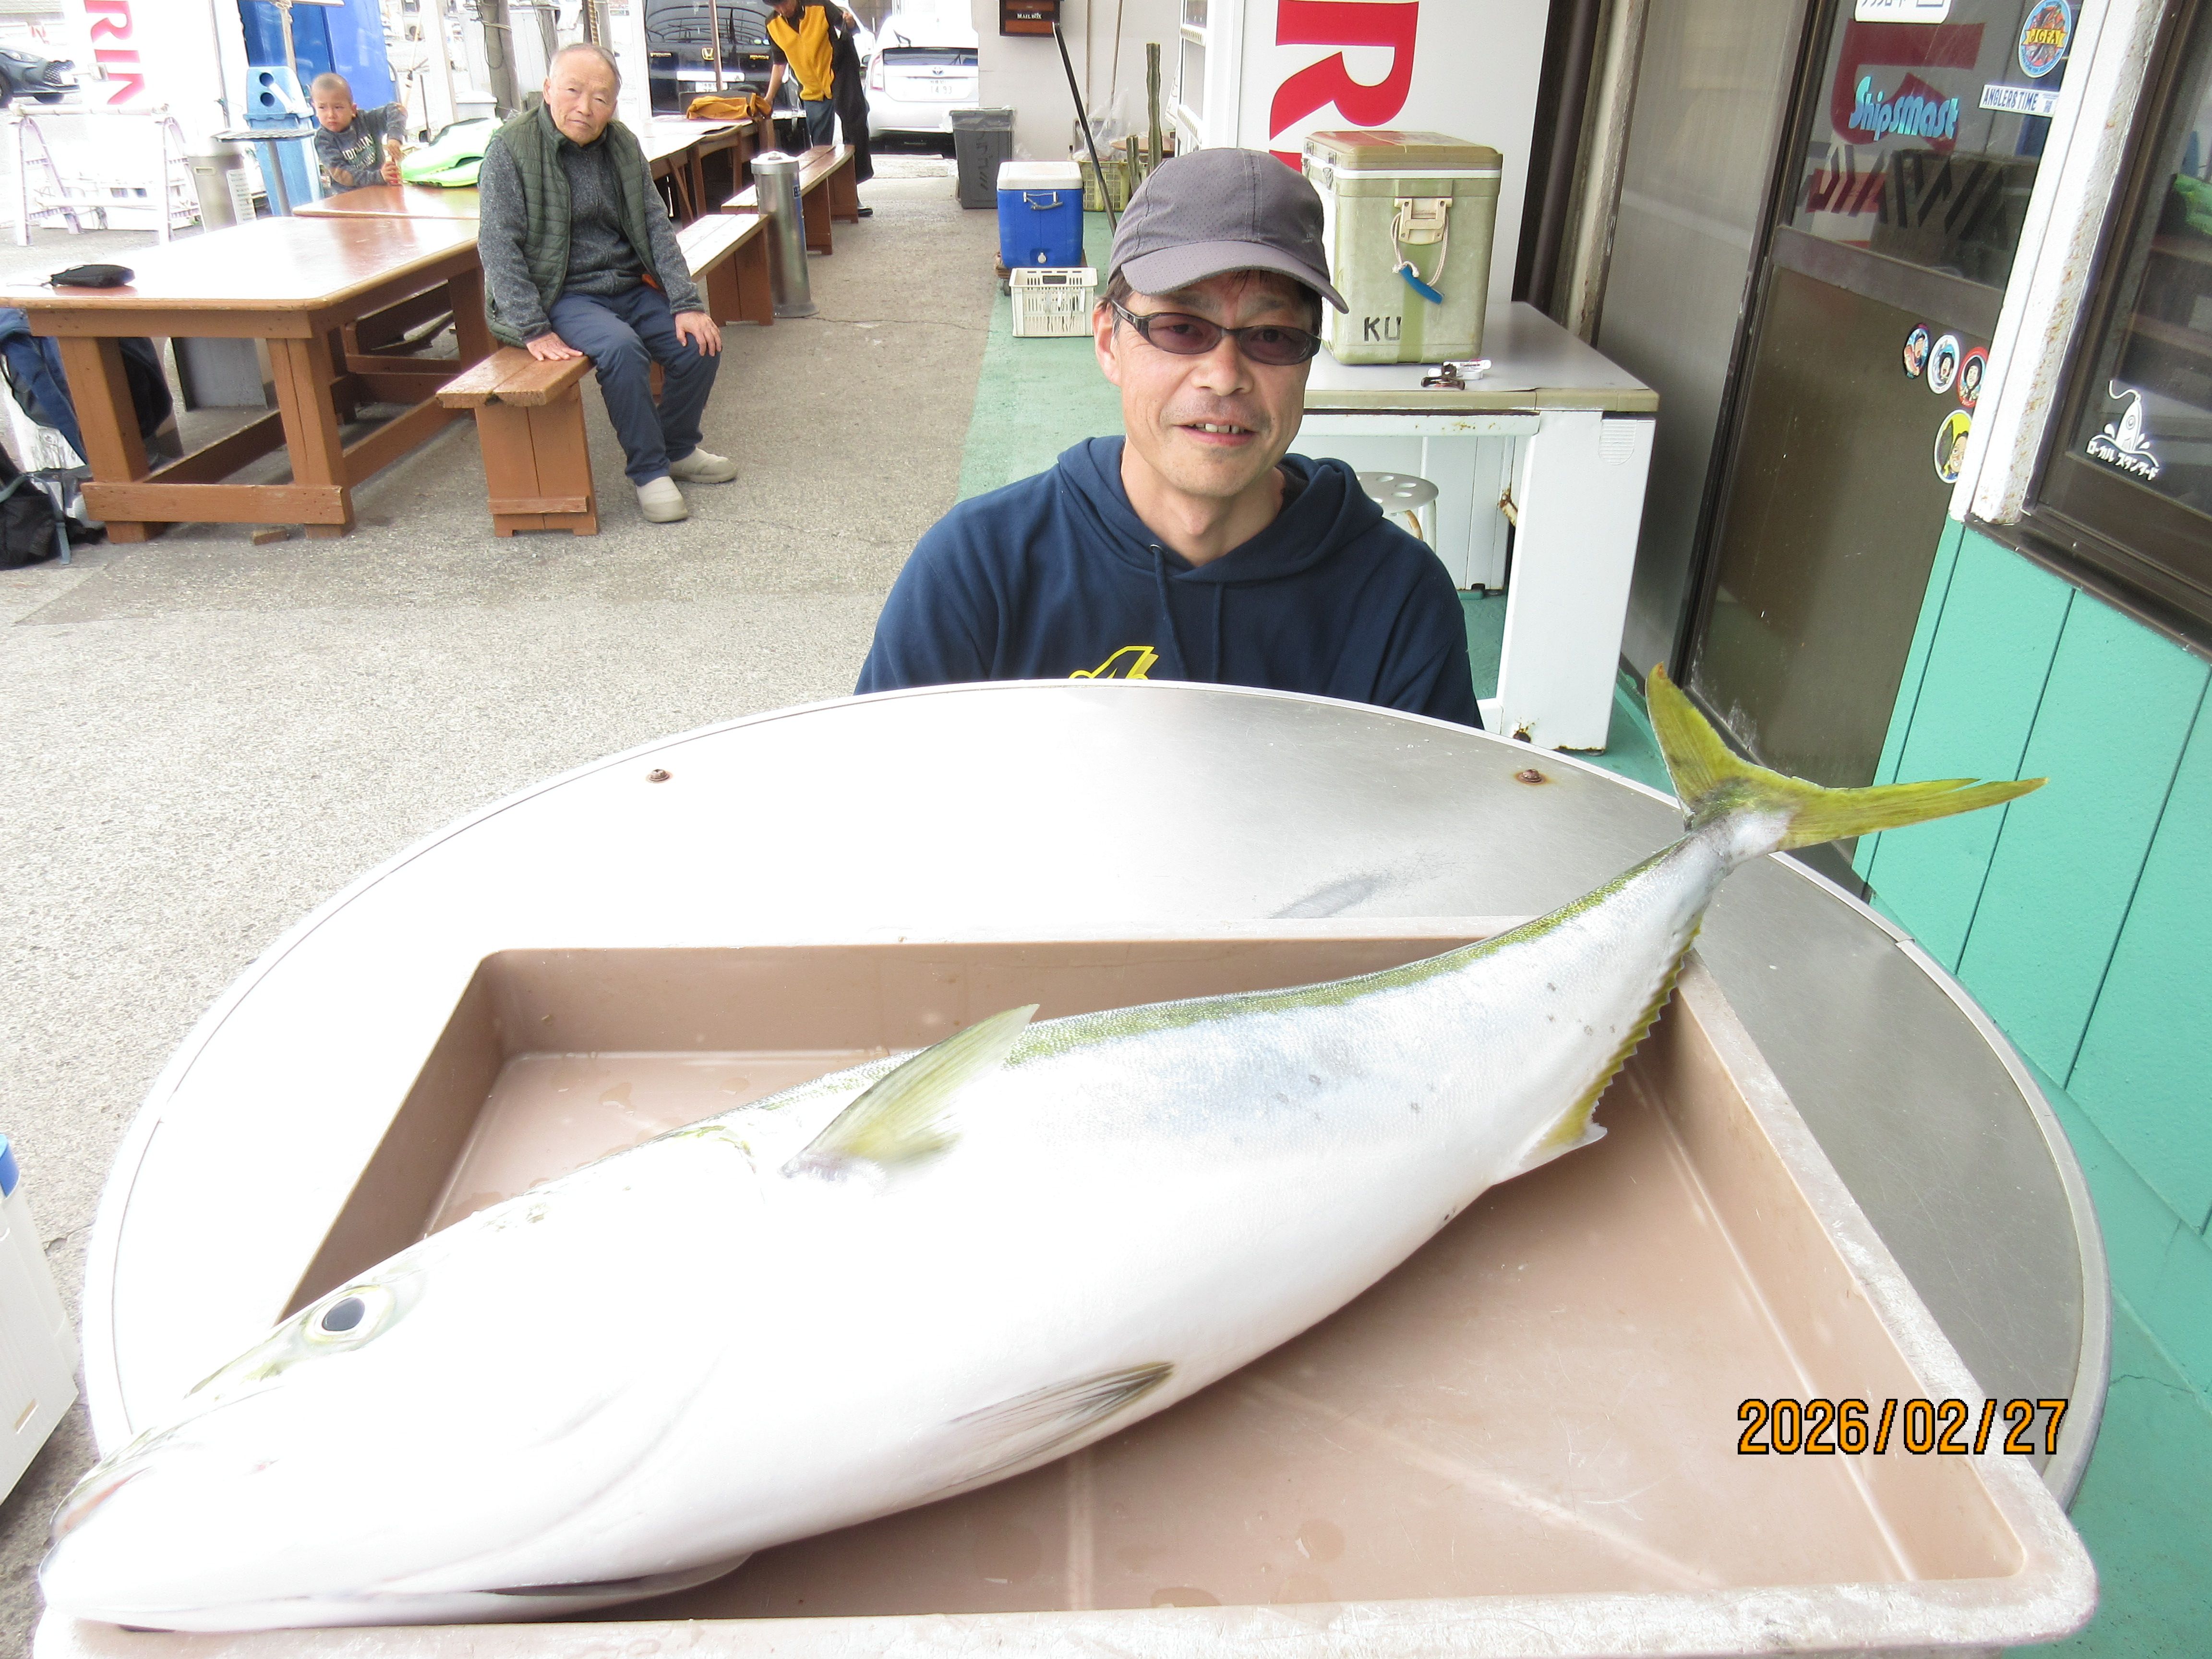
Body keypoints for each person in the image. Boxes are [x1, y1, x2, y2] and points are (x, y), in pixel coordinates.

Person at [855, 147, 1481, 727]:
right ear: (1109, 341)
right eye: (1182, 328)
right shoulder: (975, 571)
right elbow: (883, 793)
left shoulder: (1399, 600)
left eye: (1271, 336)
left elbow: (1437, 812)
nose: (1225, 376)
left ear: (1307, 361)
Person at [476, 42, 737, 524]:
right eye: (572, 91)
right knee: (622, 351)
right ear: (548, 89)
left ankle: (678, 449)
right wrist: (532, 327)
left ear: (613, 105)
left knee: (699, 344)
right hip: (563, 292)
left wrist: (686, 302)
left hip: (627, 283)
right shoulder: (510, 149)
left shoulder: (620, 143)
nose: (585, 107)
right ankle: (649, 471)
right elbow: (497, 245)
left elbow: (656, 224)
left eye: (600, 98)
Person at [763, 0, 874, 211]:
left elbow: (846, 27)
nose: (783, 10)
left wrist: (850, 23)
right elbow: (779, 64)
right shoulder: (773, 24)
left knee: (854, 132)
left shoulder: (819, 5)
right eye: (777, 7)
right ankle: (823, 204)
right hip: (812, 90)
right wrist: (769, 99)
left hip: (839, 76)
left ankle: (850, 198)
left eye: (785, 3)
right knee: (820, 150)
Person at [309, 73, 405, 193]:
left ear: (353, 109)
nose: (331, 115)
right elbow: (342, 174)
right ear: (315, 108)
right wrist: (379, 176)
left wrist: (394, 138)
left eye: (338, 107)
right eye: (322, 108)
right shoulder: (324, 139)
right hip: (351, 197)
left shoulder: (365, 121)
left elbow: (398, 110)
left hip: (380, 190)